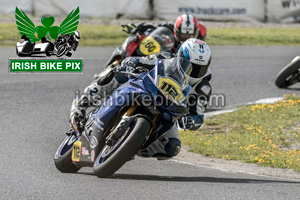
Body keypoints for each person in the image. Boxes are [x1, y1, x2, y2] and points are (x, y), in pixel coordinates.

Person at [70, 38, 212, 159]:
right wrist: (132, 63)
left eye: (200, 68)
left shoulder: (203, 87)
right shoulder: (166, 58)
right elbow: (140, 60)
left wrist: (190, 121)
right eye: (191, 66)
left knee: (172, 147)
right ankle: (83, 102)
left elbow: (198, 116)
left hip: (170, 111)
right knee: (117, 74)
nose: (193, 71)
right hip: (148, 89)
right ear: (180, 57)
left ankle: (132, 146)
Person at [123, 14, 207, 53]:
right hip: (169, 52)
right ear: (176, 31)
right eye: (184, 35)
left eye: (190, 35)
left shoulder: (200, 36)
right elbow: (155, 25)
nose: (187, 38)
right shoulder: (170, 26)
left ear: (196, 33)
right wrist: (139, 26)